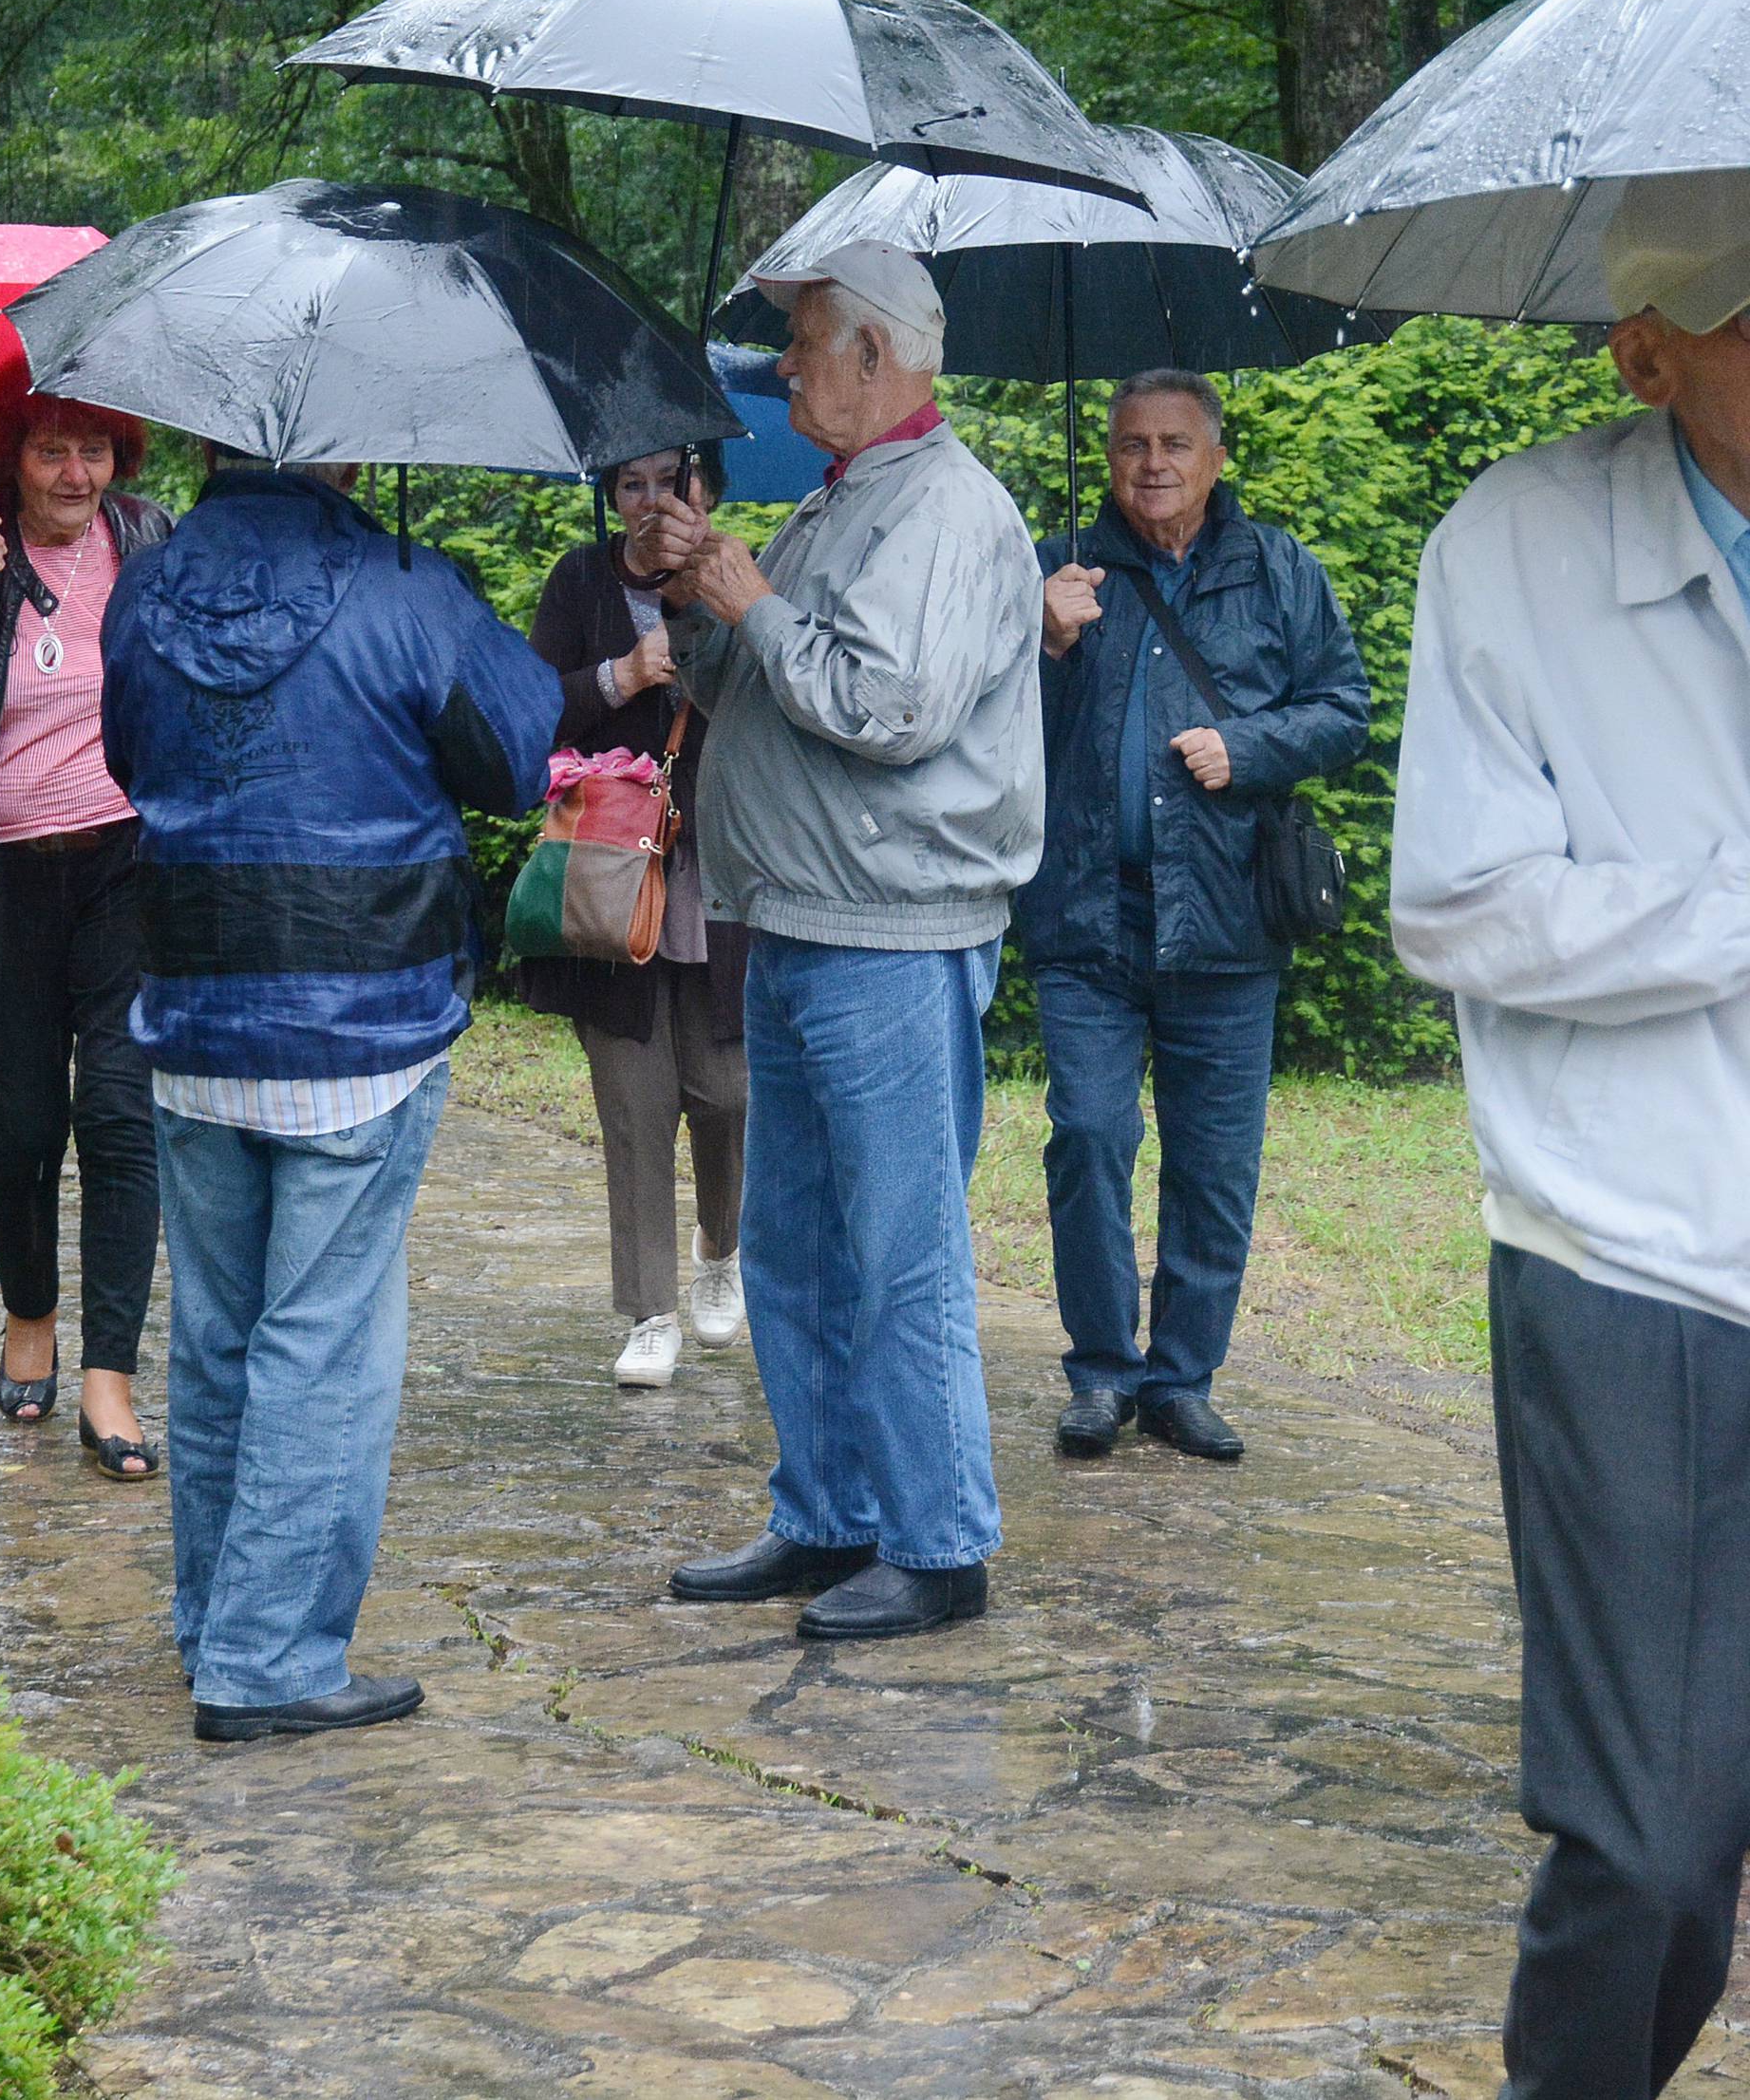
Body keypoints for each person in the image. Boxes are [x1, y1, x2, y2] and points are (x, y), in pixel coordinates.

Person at [1390, 177, 1750, 2100]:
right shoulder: (1517, 544)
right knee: (1655, 1836)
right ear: (1649, 350)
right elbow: (1453, 903)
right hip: (1641, 1257)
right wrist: (1727, 904)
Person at [102, 450, 559, 1741]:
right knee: (323, 1344)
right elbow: (518, 759)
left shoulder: (145, 590)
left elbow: (125, 751)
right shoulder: (405, 588)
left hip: (194, 1011)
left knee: (219, 1336)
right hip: (363, 1022)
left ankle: (216, 1624)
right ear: (350, 443)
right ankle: (271, 1659)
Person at [645, 240, 1044, 1642]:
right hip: (802, 917)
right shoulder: (842, 498)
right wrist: (696, 597)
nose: (786, 367)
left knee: (899, 1246)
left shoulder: (942, 510)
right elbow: (754, 688)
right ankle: (826, 1514)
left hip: (894, 931)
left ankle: (939, 1543)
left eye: (806, 343)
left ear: (877, 355)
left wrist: (754, 601)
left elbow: (890, 710)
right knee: (799, 1244)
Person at [1021, 371, 1367, 1464]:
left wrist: (1252, 746)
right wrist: (1037, 643)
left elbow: (1344, 706)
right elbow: (975, 719)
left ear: (1216, 455)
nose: (1151, 462)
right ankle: (1099, 1370)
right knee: (1086, 1134)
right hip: (1089, 916)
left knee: (1216, 1164)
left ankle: (1182, 1376)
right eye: (1130, 444)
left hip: (1224, 920)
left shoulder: (1276, 569)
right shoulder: (1061, 573)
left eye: (1174, 442)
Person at [0, 373, 170, 1476]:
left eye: (95, 451)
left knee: (120, 1115)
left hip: (125, 861)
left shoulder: (149, 538)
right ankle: (31, 1313)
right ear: (9, 459)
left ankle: (108, 1373)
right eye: (50, 453)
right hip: (1, 873)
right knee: (24, 1124)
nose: (75, 475)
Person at [523, 445, 747, 1389]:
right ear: (610, 497)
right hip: (611, 872)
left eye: (674, 482)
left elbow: (774, 698)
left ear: (709, 492)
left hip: (721, 876)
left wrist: (702, 611)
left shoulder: (740, 576)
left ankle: (722, 1249)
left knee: (728, 1091)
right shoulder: (578, 580)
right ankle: (650, 1309)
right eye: (632, 484)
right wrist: (621, 674)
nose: (654, 501)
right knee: (633, 1097)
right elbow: (530, 710)